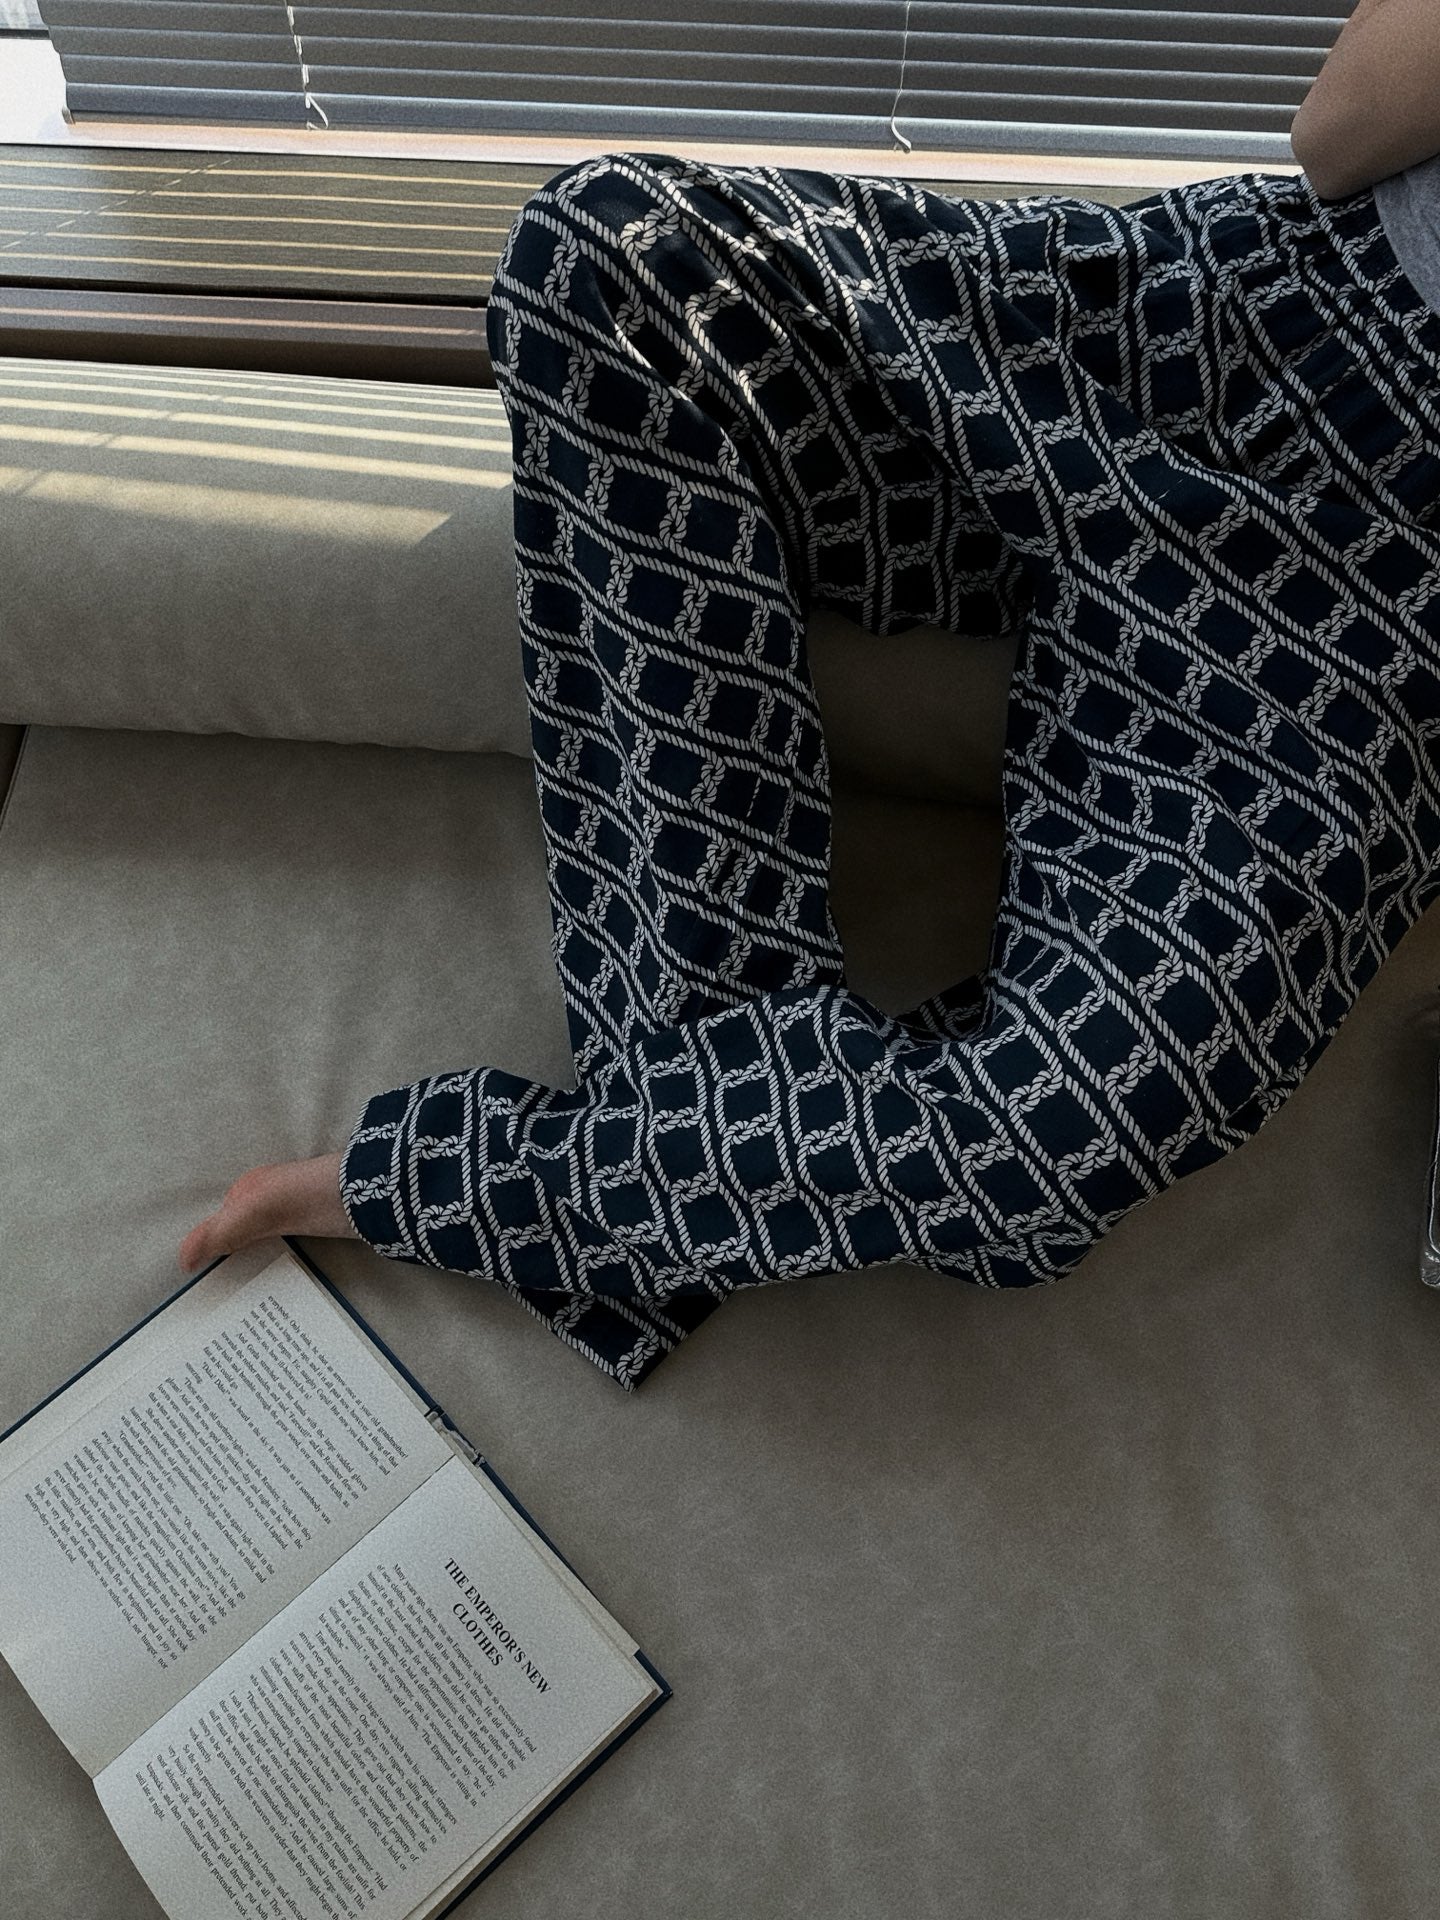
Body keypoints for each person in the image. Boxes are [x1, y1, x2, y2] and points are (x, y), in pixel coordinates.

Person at [178, 0, 1440, 1388]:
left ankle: (508, 1184)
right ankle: (706, 1168)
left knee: (1056, 1136)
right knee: (609, 250)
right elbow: (1339, 134)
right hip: (1242, 320)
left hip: (1382, 637)